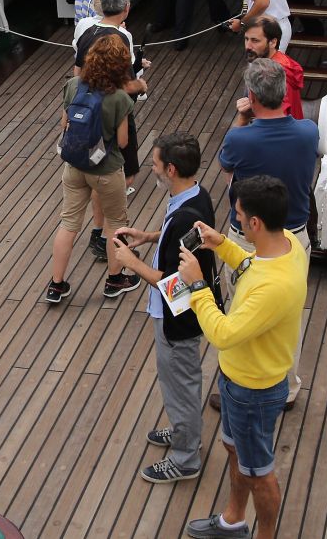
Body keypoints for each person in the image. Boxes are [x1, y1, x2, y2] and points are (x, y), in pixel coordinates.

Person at [178, 176, 309, 539]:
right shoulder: (286, 244)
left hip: (253, 392)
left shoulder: (274, 287)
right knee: (237, 451)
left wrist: (197, 285)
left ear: (255, 222)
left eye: (237, 215)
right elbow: (253, 264)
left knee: (259, 473)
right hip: (238, 381)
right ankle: (233, 520)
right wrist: (222, 244)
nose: (233, 219)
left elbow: (222, 333)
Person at [110, 133, 223, 484]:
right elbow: (181, 237)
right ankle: (183, 430)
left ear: (171, 169)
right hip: (182, 314)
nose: (153, 169)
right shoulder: (196, 196)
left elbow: (176, 283)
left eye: (156, 164)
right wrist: (149, 236)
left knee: (180, 385)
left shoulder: (184, 214)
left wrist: (132, 262)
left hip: (178, 319)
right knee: (179, 382)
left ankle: (186, 457)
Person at [218, 57, 318, 407]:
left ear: (252, 96)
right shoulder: (309, 132)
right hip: (295, 239)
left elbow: (227, 166)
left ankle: (242, 385)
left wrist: (241, 119)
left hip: (250, 241)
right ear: (284, 93)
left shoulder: (240, 139)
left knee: (242, 312)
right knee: (290, 315)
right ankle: (287, 389)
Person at [45, 34, 142, 303]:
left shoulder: (73, 85)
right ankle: (114, 280)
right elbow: (122, 142)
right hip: (106, 171)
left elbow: (65, 123)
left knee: (68, 223)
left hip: (74, 167)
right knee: (115, 225)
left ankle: (56, 285)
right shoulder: (120, 98)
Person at [73, 0, 150, 259]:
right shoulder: (122, 37)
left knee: (97, 172)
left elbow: (77, 75)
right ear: (126, 8)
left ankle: (98, 232)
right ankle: (109, 238)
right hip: (115, 114)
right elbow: (125, 84)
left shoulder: (86, 31)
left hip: (89, 115)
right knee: (123, 174)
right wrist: (141, 85)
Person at [243, 16, 303, 120]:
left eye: (255, 41)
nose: (248, 46)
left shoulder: (274, 76)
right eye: (246, 39)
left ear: (273, 42)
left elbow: (277, 120)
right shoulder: (279, 64)